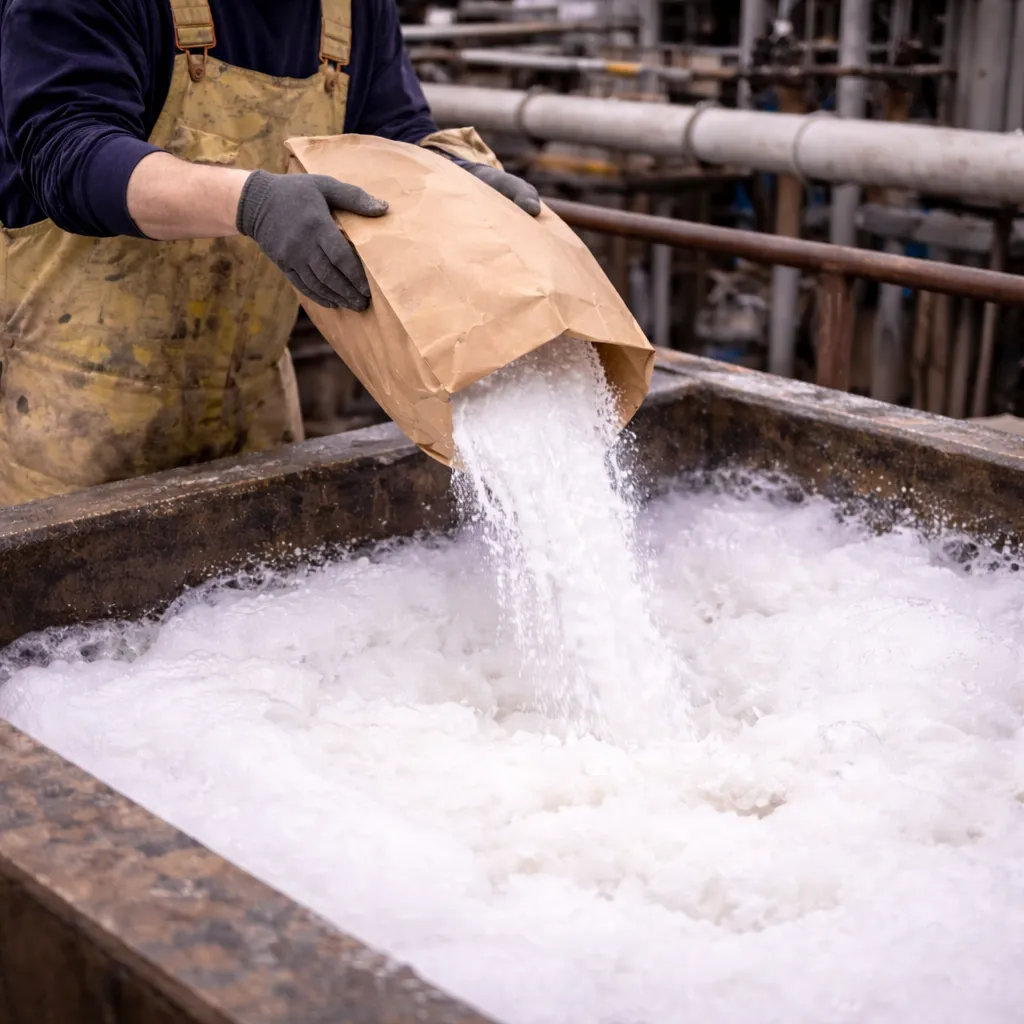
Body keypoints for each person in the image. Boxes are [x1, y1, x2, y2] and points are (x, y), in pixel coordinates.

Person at [0, 0, 540, 507]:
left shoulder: (349, 9)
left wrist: (452, 181)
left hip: (252, 424)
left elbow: (391, 133)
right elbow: (69, 151)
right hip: (61, 447)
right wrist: (252, 204)